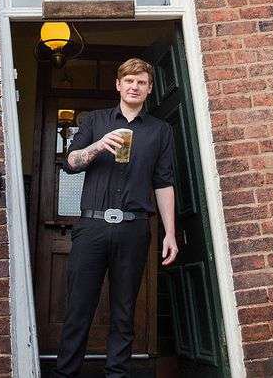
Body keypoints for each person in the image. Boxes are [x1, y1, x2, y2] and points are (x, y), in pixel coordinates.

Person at [53, 58, 179, 378]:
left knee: (124, 312)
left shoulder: (160, 131)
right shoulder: (95, 121)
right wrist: (98, 145)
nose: (135, 86)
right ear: (118, 85)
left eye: (141, 82)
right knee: (79, 309)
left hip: (134, 228)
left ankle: (117, 375)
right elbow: (70, 163)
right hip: (92, 227)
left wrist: (170, 233)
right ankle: (66, 374)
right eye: (129, 81)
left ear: (149, 89)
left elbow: (164, 182)